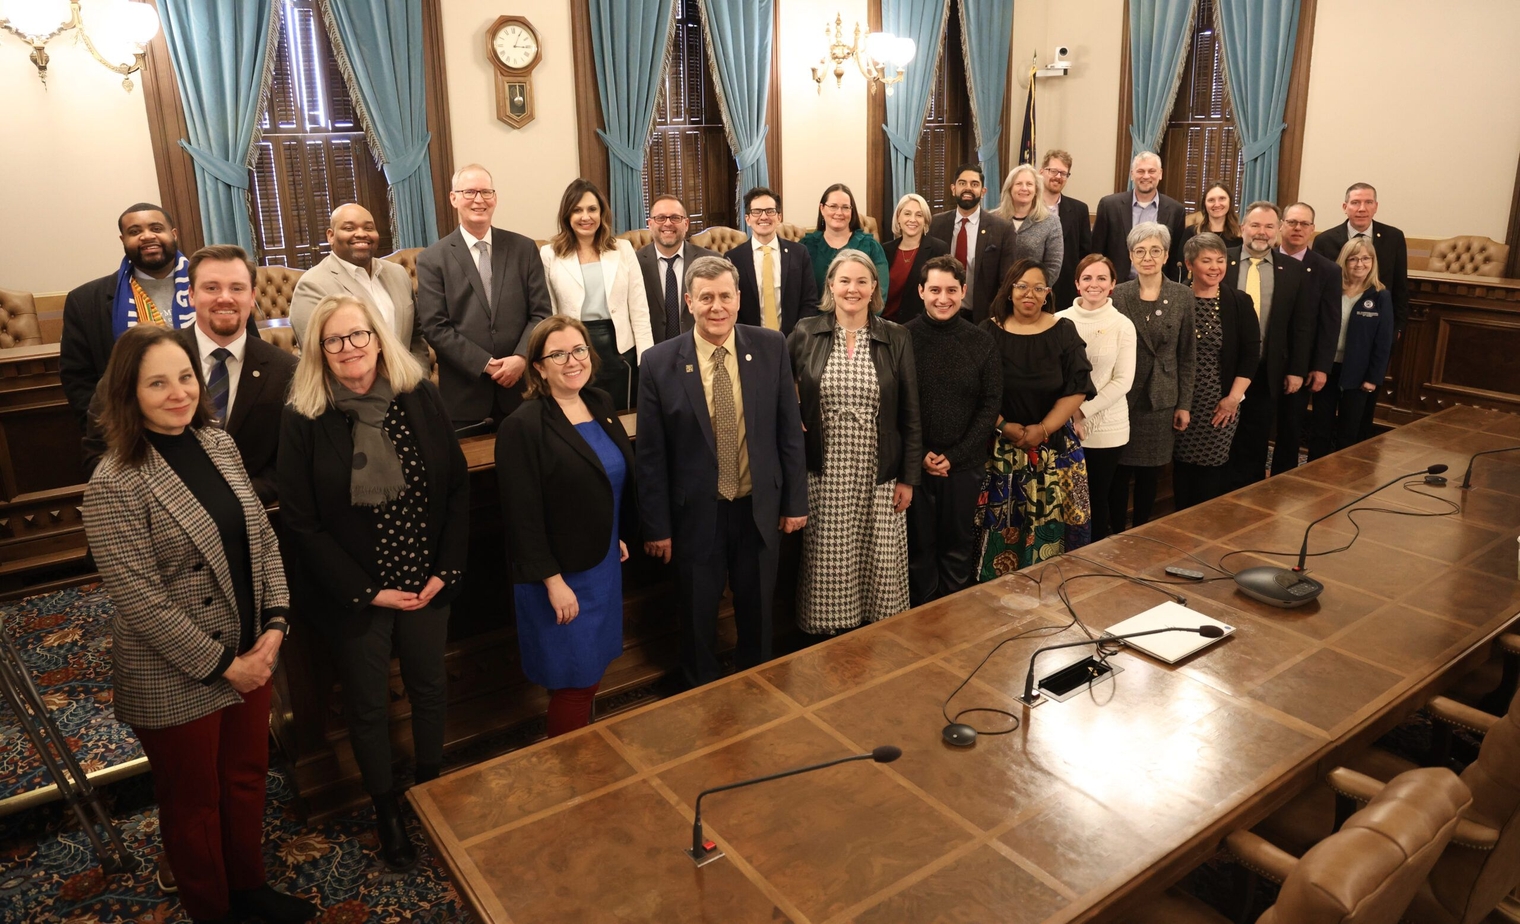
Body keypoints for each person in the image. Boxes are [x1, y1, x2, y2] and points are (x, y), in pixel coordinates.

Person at [82, 325, 316, 924]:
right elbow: (140, 599)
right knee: (193, 805)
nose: (178, 392)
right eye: (157, 383)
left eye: (185, 376)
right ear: (128, 394)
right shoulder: (114, 480)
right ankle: (212, 910)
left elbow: (259, 537)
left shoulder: (217, 443)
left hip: (251, 649)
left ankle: (249, 886)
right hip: (177, 673)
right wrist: (225, 666)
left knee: (244, 779)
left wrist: (275, 624)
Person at [278, 295, 469, 871]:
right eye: (333, 341)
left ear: (379, 337)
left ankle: (430, 791)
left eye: (358, 336)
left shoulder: (419, 395)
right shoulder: (303, 417)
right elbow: (301, 522)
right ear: (317, 351)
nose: (349, 349)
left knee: (429, 689)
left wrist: (445, 569)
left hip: (425, 580)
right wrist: (365, 592)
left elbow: (456, 485)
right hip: (357, 593)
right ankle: (387, 810)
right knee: (365, 708)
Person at [637, 256, 808, 687]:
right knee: (697, 617)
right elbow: (652, 457)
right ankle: (702, 696)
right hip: (696, 515)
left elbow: (789, 431)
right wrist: (656, 526)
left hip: (758, 509)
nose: (717, 307)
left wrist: (794, 503)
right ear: (689, 302)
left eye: (725, 297)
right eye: (707, 298)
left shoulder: (770, 347)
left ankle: (758, 691)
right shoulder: (658, 363)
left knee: (758, 614)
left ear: (739, 299)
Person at [497, 316, 635, 735]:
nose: (572, 361)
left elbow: (604, 475)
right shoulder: (523, 426)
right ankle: (575, 772)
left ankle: (587, 756)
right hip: (559, 578)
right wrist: (553, 582)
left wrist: (616, 531)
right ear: (538, 366)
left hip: (602, 563)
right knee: (574, 680)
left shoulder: (599, 401)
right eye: (557, 354)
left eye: (578, 350)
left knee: (591, 672)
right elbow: (522, 518)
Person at [788, 250, 920, 633]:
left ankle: (878, 635)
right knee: (830, 559)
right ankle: (830, 636)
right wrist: (790, 415)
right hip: (824, 470)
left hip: (879, 470)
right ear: (830, 285)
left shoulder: (896, 336)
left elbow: (911, 411)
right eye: (844, 280)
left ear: (874, 288)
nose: (853, 288)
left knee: (878, 558)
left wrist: (909, 478)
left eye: (862, 281)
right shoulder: (806, 331)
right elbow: (775, 382)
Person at [60, 203, 257, 429]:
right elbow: (78, 380)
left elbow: (250, 349)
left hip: (222, 417)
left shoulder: (214, 289)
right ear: (123, 240)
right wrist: (110, 430)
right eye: (135, 232)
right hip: (133, 431)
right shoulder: (85, 301)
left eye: (156, 228)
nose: (146, 236)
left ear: (173, 234)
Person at [976, 260, 1095, 574]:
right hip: (998, 451)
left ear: (1048, 294)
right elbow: (973, 388)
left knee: (1058, 553)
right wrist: (1002, 425)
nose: (1030, 293)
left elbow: (1077, 386)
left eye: (1038, 287)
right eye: (1022, 286)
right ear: (1009, 290)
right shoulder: (987, 330)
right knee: (996, 536)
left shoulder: (1063, 330)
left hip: (1053, 448)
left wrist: (1043, 429)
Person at [416, 163, 553, 428]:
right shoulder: (432, 259)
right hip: (464, 396)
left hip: (522, 390)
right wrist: (486, 364)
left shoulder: (523, 249)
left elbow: (541, 313)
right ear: (454, 198)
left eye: (486, 192)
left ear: (495, 198)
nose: (479, 200)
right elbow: (435, 327)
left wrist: (521, 358)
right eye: (469, 192)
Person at [903, 255, 999, 603]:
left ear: (963, 291)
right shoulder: (902, 338)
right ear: (920, 291)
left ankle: (951, 623)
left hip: (964, 466)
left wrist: (953, 456)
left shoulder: (981, 341)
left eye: (951, 290)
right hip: (915, 465)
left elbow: (990, 405)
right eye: (934, 290)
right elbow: (897, 402)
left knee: (957, 548)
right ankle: (921, 624)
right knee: (918, 550)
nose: (942, 298)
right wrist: (922, 454)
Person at [1109, 222, 1196, 532]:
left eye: (1155, 250)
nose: (1148, 257)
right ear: (1131, 256)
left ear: (1166, 255)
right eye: (1140, 251)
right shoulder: (1118, 295)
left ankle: (1142, 530)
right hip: (1123, 396)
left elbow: (1187, 355)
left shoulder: (1183, 295)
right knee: (1119, 472)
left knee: (1149, 474)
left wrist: (1184, 404)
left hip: (1161, 399)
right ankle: (1115, 530)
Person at [539, 178, 654, 410]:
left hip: (619, 348)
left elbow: (639, 309)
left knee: (623, 417)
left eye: (592, 209)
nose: (586, 217)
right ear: (567, 216)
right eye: (577, 210)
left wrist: (648, 361)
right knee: (580, 415)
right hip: (572, 348)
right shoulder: (549, 254)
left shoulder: (623, 250)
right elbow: (549, 315)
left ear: (602, 213)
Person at [1225, 202, 1316, 488]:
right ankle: (1217, 490)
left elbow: (1301, 325)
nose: (1261, 232)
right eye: (1255, 225)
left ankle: (1250, 490)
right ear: (1242, 229)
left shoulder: (1292, 270)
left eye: (1268, 226)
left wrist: (1297, 370)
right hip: (1221, 367)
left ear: (1278, 231)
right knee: (1220, 431)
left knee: (1256, 433)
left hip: (1266, 368)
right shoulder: (1219, 261)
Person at [1312, 183, 1409, 442]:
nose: (1362, 208)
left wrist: (1396, 330)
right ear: (1345, 207)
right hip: (1330, 351)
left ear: (1376, 206)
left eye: (1368, 202)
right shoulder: (1325, 240)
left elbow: (1400, 286)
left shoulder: (1394, 237)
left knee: (1358, 419)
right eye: (1355, 202)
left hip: (1373, 338)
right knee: (1321, 418)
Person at [1171, 233, 1258, 509]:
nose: (1214, 267)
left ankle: (1204, 532)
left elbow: (1249, 356)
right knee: (1180, 471)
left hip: (1220, 404)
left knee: (1211, 472)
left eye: (1220, 260)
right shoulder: (1174, 299)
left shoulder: (1239, 302)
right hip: (1177, 402)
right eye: (1206, 260)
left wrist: (1232, 399)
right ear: (1189, 264)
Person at [288, 203, 431, 369]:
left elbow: (415, 336)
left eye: (369, 228)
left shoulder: (398, 273)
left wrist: (418, 380)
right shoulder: (312, 285)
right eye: (349, 228)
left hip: (407, 389)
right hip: (350, 393)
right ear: (331, 236)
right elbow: (318, 358)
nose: (361, 234)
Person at [1054, 255, 1135, 541]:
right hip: (1061, 426)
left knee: (1096, 500)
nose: (1094, 284)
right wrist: (1066, 414)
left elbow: (1123, 380)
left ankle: (1093, 562)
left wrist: (1081, 411)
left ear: (1113, 284)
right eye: (1087, 278)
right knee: (1063, 500)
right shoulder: (1059, 320)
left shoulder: (1123, 324)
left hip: (1107, 430)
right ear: (1077, 284)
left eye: (1102, 278)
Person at [1308, 238, 1395, 457]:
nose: (1359, 264)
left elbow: (1383, 342)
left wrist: (1373, 378)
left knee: (1349, 432)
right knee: (1320, 429)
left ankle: (1343, 483)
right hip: (1326, 369)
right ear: (1344, 261)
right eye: (1353, 259)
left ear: (1373, 262)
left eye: (1366, 258)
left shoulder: (1380, 295)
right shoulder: (1332, 289)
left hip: (1359, 374)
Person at [1277, 201, 1342, 474]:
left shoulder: (1327, 270)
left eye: (1304, 224)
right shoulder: (1263, 259)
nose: (1297, 228)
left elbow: (1330, 324)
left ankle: (1281, 480)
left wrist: (1321, 367)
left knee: (1291, 427)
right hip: (1264, 358)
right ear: (1281, 226)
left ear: (1313, 230)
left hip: (1302, 362)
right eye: (1292, 222)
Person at [928, 162, 1017, 322]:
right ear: (953, 188)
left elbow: (1007, 280)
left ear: (983, 192)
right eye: (962, 183)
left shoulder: (1002, 229)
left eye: (974, 184)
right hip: (941, 315)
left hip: (983, 318)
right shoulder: (936, 224)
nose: (968, 188)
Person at [732, 186, 819, 333]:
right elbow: (731, 306)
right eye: (756, 212)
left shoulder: (799, 253)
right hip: (748, 341)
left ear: (779, 217)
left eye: (770, 211)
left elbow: (809, 301)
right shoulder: (733, 258)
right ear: (747, 219)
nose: (764, 217)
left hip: (794, 341)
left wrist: (798, 336)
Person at [635, 193, 719, 343]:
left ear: (686, 224)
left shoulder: (710, 261)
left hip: (700, 350)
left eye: (675, 218)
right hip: (653, 353)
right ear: (650, 224)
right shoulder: (634, 263)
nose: (668, 223)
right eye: (660, 218)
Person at [1091, 152, 1187, 280]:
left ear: (1160, 174)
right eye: (1140, 171)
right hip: (1116, 285)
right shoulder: (1109, 206)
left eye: (1151, 171)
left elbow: (1175, 257)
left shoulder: (1176, 210)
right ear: (1132, 174)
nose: (1146, 176)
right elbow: (1096, 252)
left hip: (1159, 287)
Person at [801, 183, 890, 298]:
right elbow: (798, 292)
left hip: (860, 314)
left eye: (845, 207)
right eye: (833, 206)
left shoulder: (871, 247)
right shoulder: (805, 247)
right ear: (822, 209)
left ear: (852, 211)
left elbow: (880, 292)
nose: (839, 213)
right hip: (814, 315)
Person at [882, 193, 950, 323]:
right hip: (884, 324)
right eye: (907, 213)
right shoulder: (885, 250)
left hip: (920, 325)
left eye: (919, 215)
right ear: (898, 218)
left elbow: (940, 291)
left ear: (925, 220)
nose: (912, 219)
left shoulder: (938, 249)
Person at [992, 163, 1064, 285]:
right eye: (1019, 184)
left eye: (1029, 184)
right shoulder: (993, 219)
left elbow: (1053, 267)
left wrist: (1034, 289)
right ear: (1010, 188)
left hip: (1033, 295)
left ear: (1036, 190)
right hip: (996, 295)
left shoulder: (1051, 221)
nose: (1024, 188)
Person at [1041, 150, 1092, 313]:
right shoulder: (1026, 206)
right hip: (1031, 289)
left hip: (1066, 292)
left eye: (1063, 173)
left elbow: (1085, 254)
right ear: (1042, 171)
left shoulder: (1079, 210)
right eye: (1053, 171)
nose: (1058, 176)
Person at [1178, 182, 1243, 256]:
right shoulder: (1191, 233)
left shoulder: (1241, 235)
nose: (1217, 204)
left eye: (1222, 199)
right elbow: (1181, 264)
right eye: (1211, 200)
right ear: (1204, 204)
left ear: (1230, 201)